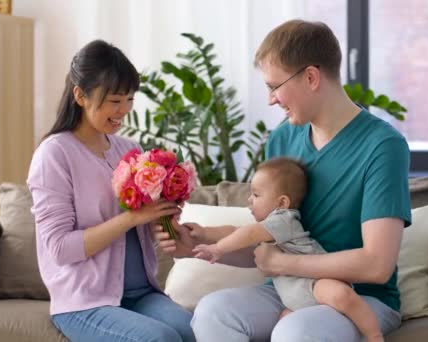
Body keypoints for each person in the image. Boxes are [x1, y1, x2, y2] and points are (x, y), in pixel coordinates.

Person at [153, 19, 411, 342]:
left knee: (295, 333)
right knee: (213, 312)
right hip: (290, 289)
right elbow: (266, 248)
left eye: (274, 86)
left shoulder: (382, 146)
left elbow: (377, 265)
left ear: (311, 77)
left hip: (360, 299)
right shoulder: (282, 140)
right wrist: (197, 246)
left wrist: (285, 262)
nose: (271, 99)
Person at [27, 40, 195, 342]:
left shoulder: (129, 149)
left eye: (130, 99)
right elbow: (60, 248)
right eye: (115, 100)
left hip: (141, 293)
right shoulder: (54, 154)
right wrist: (132, 218)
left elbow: (141, 231)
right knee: (161, 339)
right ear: (80, 95)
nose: (124, 111)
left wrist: (163, 220)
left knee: (200, 331)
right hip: (84, 302)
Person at [190, 157, 384, 341]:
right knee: (283, 324)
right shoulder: (268, 226)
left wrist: (217, 248)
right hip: (294, 294)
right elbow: (235, 231)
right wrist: (204, 232)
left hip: (315, 280)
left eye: (256, 195)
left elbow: (246, 235)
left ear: (282, 202)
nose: (249, 200)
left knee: (341, 296)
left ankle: (374, 335)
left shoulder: (283, 219)